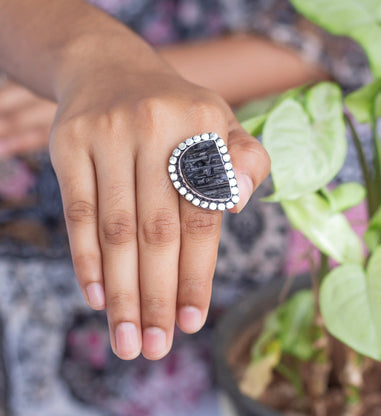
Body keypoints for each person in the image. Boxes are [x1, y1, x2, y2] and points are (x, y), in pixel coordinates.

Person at [0, 0, 333, 363]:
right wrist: (90, 62)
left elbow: (356, 36)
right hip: (39, 69)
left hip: (279, 98)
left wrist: (138, 85)